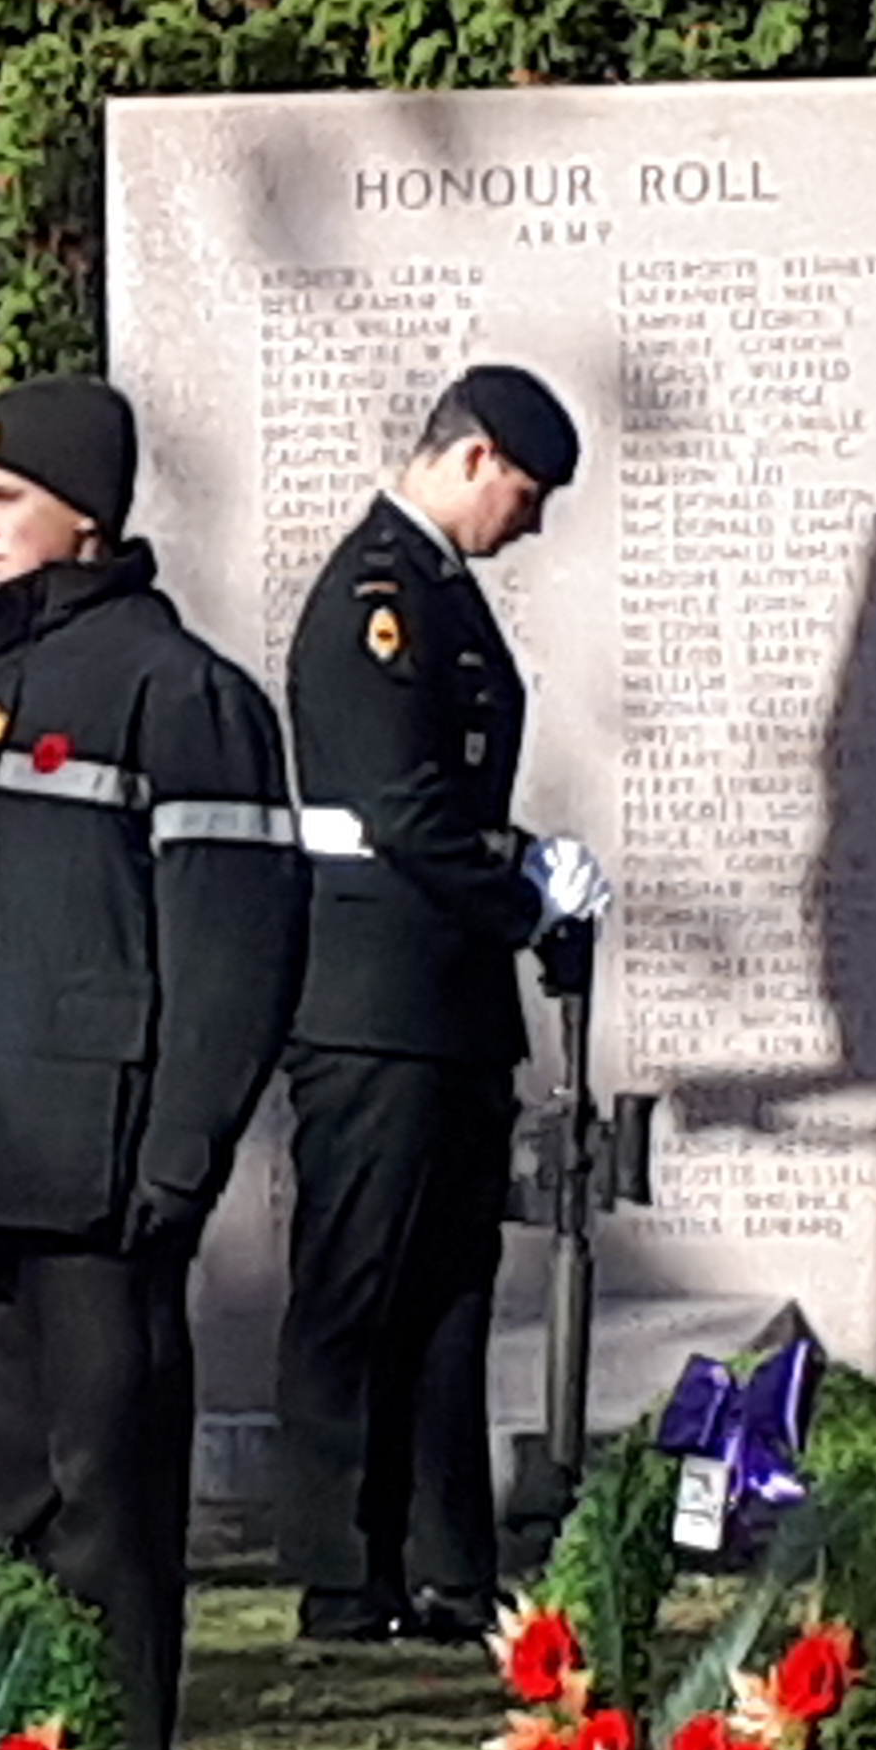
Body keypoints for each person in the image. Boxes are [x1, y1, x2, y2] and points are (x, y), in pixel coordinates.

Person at [0, 375, 307, 1750]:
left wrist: (175, 1164)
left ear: (86, 511)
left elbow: (235, 953)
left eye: (1, 501)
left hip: (104, 1181)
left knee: (106, 1510)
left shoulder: (178, 697)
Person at [270, 363, 602, 1645]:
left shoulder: (441, 595)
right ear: (471, 461)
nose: (532, 523)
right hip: (375, 1004)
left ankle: (449, 1557)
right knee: (360, 1287)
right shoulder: (376, 601)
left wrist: (519, 861)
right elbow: (400, 808)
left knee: (450, 1289)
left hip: (445, 1002)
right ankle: (344, 1571)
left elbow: (448, 803)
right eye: (526, 493)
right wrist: (518, 895)